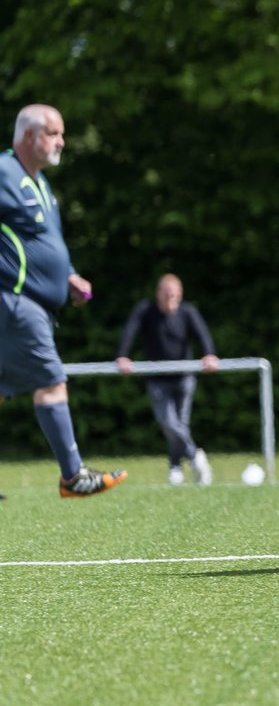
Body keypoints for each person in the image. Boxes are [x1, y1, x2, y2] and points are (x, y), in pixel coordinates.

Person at [0, 104, 127, 497]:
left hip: (32, 302)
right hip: (19, 301)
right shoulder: (4, 172)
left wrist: (68, 275)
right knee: (52, 382)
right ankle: (73, 477)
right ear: (28, 136)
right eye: (53, 133)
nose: (61, 141)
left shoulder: (37, 182)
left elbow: (46, 241)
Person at [115, 274, 220, 486]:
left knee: (181, 424)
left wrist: (209, 354)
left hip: (184, 378)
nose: (171, 298)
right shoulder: (145, 310)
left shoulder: (188, 311)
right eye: (167, 294)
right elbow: (130, 331)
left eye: (175, 295)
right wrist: (123, 355)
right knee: (167, 422)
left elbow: (202, 334)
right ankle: (195, 457)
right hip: (157, 379)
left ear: (180, 295)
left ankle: (175, 468)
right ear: (158, 294)